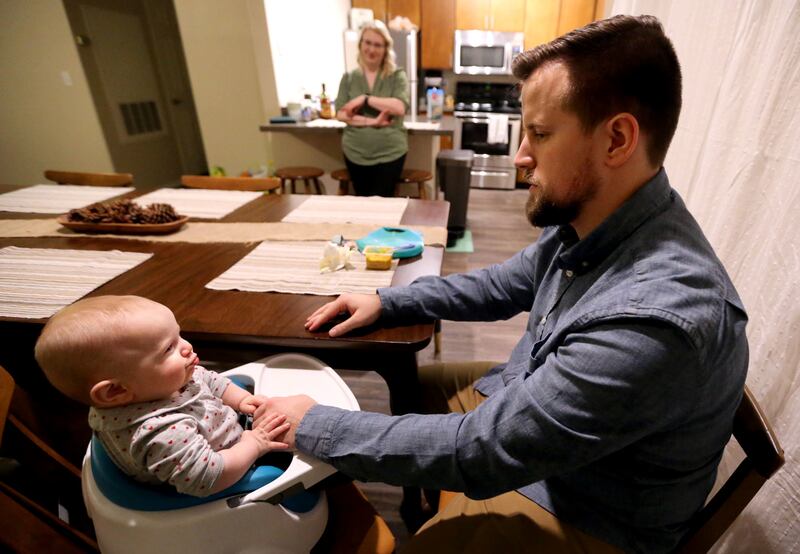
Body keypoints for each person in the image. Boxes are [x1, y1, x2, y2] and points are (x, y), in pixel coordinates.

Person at [254, 14, 748, 553]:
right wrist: (386, 300)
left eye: (539, 133)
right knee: (403, 387)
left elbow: (481, 453)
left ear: (617, 140)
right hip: (527, 416)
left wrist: (315, 426)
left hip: (586, 510)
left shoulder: (656, 318)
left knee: (349, 437)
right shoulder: (595, 218)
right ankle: (416, 498)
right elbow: (499, 285)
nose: (520, 156)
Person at [34, 295, 291, 497]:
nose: (186, 346)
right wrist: (253, 445)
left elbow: (205, 378)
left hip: (231, 437)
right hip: (227, 475)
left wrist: (238, 399)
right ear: (115, 391)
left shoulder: (154, 384)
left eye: (177, 335)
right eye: (168, 347)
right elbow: (208, 477)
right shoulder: (161, 431)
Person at [335, 20, 409, 197]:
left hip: (390, 153)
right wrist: (372, 121)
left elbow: (399, 107)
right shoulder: (349, 78)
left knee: (384, 205)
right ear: (360, 44)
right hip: (355, 153)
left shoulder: (397, 76)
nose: (372, 49)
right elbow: (340, 114)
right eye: (367, 43)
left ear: (385, 49)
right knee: (363, 205)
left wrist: (365, 99)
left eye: (378, 45)